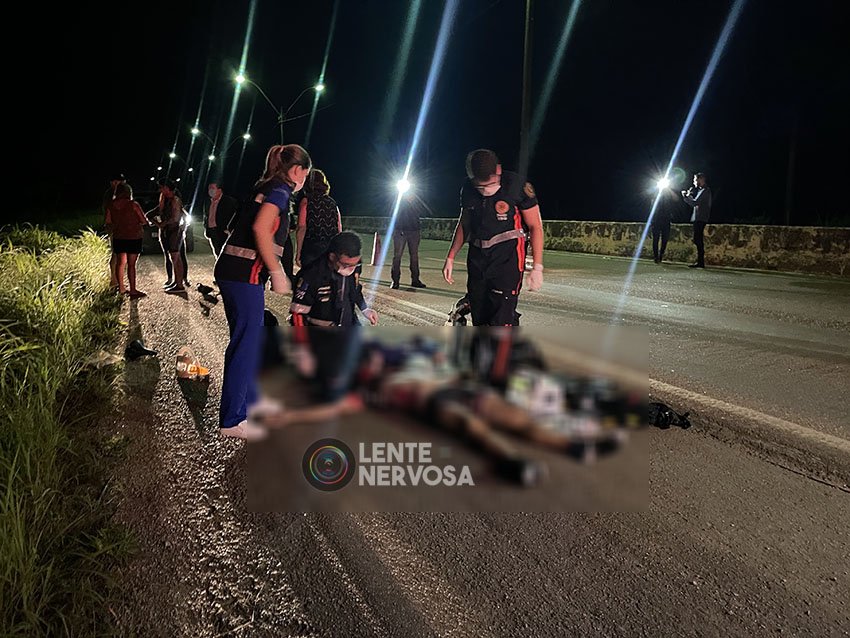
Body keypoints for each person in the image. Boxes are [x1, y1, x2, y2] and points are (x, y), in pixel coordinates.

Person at [214, 144, 312, 440]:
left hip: (231, 271)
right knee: (246, 344)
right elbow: (260, 227)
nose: (304, 181)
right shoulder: (280, 190)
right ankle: (232, 419)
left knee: (247, 342)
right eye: (305, 175)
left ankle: (243, 409)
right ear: (297, 171)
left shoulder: (265, 185)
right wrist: (277, 271)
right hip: (244, 275)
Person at [442, 149, 545, 326]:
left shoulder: (516, 186)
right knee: (480, 317)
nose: (485, 192)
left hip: (508, 261)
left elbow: (536, 227)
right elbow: (464, 224)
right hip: (477, 261)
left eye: (490, 185)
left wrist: (537, 267)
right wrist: (451, 257)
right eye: (480, 187)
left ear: (498, 170)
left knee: (501, 320)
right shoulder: (468, 189)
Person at [290, 231, 379, 327]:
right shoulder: (311, 275)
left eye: (355, 264)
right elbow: (298, 313)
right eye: (346, 264)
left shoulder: (354, 267)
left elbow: (355, 290)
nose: (351, 269)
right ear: (332, 257)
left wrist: (365, 309)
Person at [104, 183, 149, 298]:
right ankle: (133, 290)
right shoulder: (133, 205)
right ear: (129, 192)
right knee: (131, 264)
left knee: (120, 263)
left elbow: (108, 222)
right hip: (134, 237)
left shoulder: (111, 205)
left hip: (119, 237)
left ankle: (122, 289)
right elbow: (143, 220)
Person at [295, 169, 342, 270]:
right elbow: (339, 229)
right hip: (330, 250)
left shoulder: (306, 201)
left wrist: (298, 252)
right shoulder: (332, 203)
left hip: (311, 248)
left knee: (308, 280)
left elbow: (301, 228)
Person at [155, 179, 187, 293]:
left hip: (174, 231)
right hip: (170, 231)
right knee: (174, 257)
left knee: (176, 257)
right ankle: (177, 282)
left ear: (167, 188)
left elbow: (175, 218)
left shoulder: (175, 200)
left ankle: (179, 284)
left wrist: (164, 223)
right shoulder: (166, 200)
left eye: (162, 188)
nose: (160, 190)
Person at [390, 193, 426, 289]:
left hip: (414, 231)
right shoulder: (399, 201)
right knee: (397, 256)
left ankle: (415, 280)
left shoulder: (417, 202)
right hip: (400, 231)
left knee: (414, 257)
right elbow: (394, 213)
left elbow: (422, 211)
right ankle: (395, 281)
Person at [681, 172, 712, 268]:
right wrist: (688, 197)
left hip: (700, 218)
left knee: (698, 239)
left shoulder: (705, 191)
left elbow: (695, 203)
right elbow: (695, 202)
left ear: (700, 179)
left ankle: (701, 262)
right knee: (697, 239)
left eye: (695, 180)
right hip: (698, 218)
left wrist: (686, 197)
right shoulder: (701, 191)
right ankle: (700, 262)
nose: (694, 182)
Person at [202, 182, 239, 257]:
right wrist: (206, 226)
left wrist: (229, 228)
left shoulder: (229, 201)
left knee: (224, 253)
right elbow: (206, 215)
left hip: (223, 232)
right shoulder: (208, 201)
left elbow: (235, 215)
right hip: (212, 231)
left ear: (219, 190)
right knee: (216, 252)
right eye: (209, 188)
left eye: (212, 188)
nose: (210, 190)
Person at [103, 172, 127, 288]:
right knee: (116, 254)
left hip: (118, 227)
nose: (121, 184)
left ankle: (117, 280)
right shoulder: (110, 194)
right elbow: (109, 212)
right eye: (119, 182)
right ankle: (114, 280)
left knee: (120, 255)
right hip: (114, 227)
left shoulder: (118, 192)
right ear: (113, 182)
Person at [651, 186, 676, 263]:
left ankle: (660, 255)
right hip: (657, 221)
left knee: (665, 239)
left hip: (666, 221)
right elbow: (652, 208)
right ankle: (656, 256)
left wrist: (670, 190)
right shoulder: (655, 196)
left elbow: (675, 200)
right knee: (656, 239)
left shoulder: (669, 198)